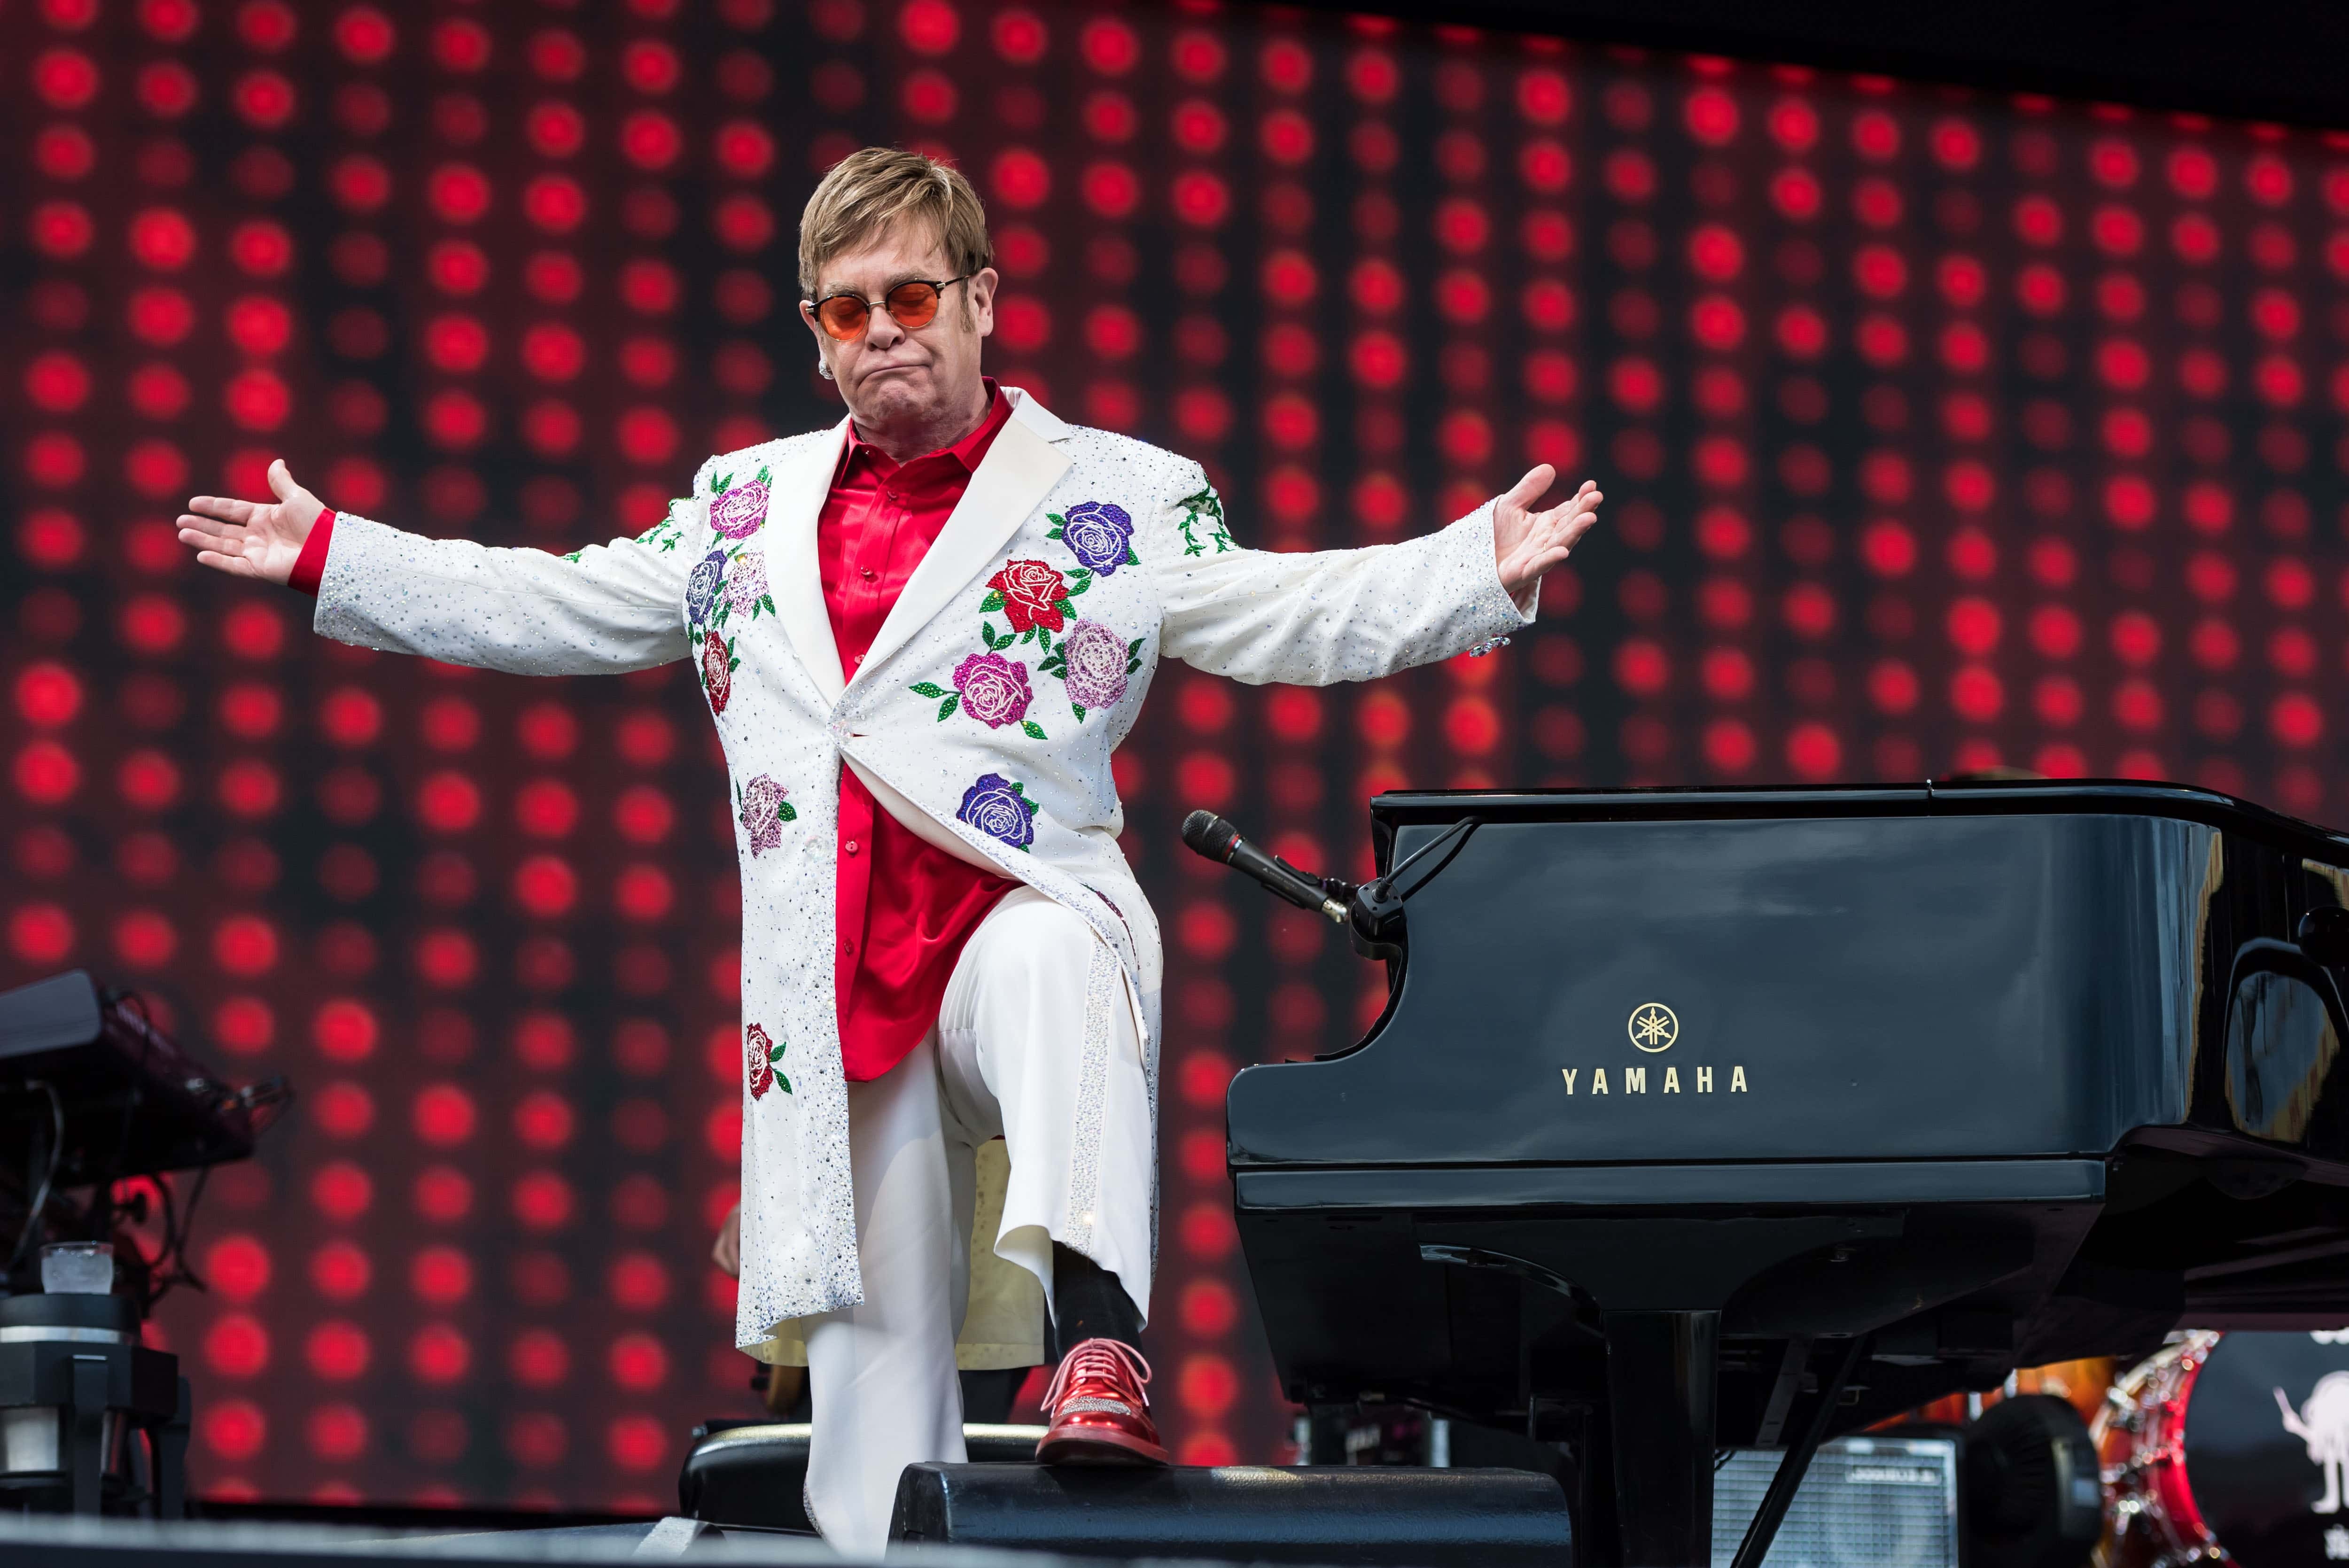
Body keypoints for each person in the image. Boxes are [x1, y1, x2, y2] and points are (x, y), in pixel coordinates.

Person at [176, 147, 1603, 1554]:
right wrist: (337, 554)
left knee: (1061, 961)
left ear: (981, 299)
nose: (883, 333)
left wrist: (1466, 569)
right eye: (847, 309)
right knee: (870, 1447)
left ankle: (1099, 1344)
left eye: (912, 297)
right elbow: (552, 603)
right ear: (817, 335)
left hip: (1012, 911)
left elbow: (1287, 609)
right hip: (838, 992)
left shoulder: (1113, 493)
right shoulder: (743, 507)